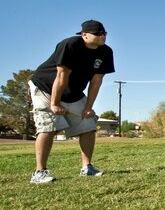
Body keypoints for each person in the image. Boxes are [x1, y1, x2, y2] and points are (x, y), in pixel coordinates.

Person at [28, 20, 115, 183]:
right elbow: (61, 76)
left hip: (74, 92)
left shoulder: (105, 52)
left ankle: (87, 167)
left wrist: (89, 107)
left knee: (89, 124)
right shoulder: (69, 45)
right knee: (48, 126)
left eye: (104, 33)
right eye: (98, 34)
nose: (102, 36)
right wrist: (54, 103)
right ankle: (39, 172)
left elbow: (96, 81)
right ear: (84, 35)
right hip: (46, 88)